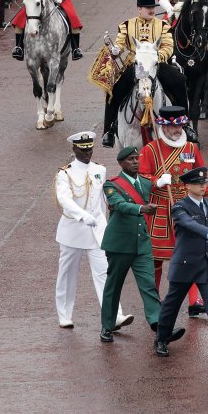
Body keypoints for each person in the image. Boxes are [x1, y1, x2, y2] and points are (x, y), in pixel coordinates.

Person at [99, 145, 178, 345]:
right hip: (119, 245)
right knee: (114, 286)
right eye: (130, 159)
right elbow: (118, 204)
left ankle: (160, 328)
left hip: (142, 244)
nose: (135, 162)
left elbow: (157, 184)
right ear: (120, 163)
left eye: (137, 158)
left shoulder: (144, 182)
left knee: (149, 287)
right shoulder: (112, 184)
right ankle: (108, 325)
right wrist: (142, 208)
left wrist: (163, 180)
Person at [152, 166, 208, 363]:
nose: (203, 186)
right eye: (198, 183)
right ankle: (161, 339)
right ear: (187, 186)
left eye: (204, 183)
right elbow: (189, 224)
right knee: (172, 305)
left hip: (206, 263)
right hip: (185, 264)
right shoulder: (179, 207)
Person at [54, 130, 132, 329]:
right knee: (68, 275)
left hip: (97, 231)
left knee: (105, 273)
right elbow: (64, 199)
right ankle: (65, 315)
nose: (87, 153)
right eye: (83, 149)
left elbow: (104, 198)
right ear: (74, 150)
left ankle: (114, 314)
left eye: (90, 149)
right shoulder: (65, 173)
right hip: (73, 231)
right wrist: (82, 215)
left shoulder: (100, 170)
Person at [139, 106, 208, 315]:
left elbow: (201, 176)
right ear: (163, 127)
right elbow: (141, 178)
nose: (178, 130)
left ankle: (194, 301)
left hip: (187, 207)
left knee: (191, 254)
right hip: (161, 209)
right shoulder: (150, 150)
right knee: (156, 257)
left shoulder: (191, 148)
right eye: (173, 127)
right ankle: (155, 298)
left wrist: (207, 202)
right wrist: (157, 181)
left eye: (180, 126)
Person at [102, 0, 188, 147]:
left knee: (179, 81)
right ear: (139, 9)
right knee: (114, 90)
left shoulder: (163, 25)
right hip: (135, 64)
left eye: (153, 7)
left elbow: (168, 46)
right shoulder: (127, 25)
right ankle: (108, 130)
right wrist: (116, 50)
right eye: (148, 7)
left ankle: (185, 124)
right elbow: (120, 43)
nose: (152, 10)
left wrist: (156, 56)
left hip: (156, 64)